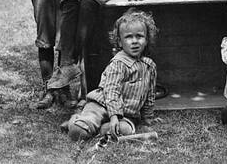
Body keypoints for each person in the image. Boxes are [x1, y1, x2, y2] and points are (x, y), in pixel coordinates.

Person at [65, 9, 158, 140]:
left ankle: (100, 128)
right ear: (120, 42)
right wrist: (114, 116)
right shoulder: (118, 63)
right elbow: (111, 91)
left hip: (126, 114)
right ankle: (78, 121)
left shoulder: (150, 66)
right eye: (128, 37)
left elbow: (149, 96)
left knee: (124, 130)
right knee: (78, 132)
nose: (134, 41)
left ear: (147, 39)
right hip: (101, 105)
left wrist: (147, 120)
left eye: (139, 36)